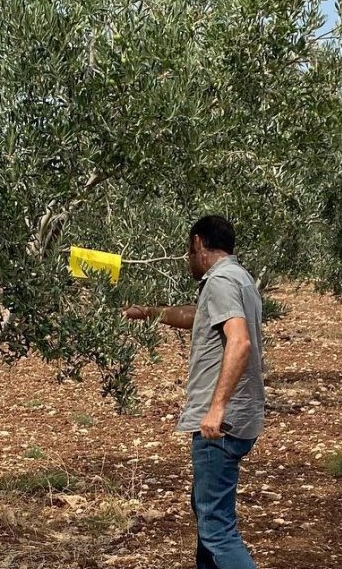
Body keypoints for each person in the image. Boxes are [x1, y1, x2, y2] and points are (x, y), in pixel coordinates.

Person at [125, 215, 264, 569]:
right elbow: (200, 315)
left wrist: (216, 408)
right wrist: (151, 313)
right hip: (240, 419)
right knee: (207, 517)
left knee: (217, 529)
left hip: (221, 424)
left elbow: (239, 341)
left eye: (189, 249)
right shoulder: (239, 279)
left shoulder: (219, 281)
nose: (188, 257)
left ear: (199, 243)